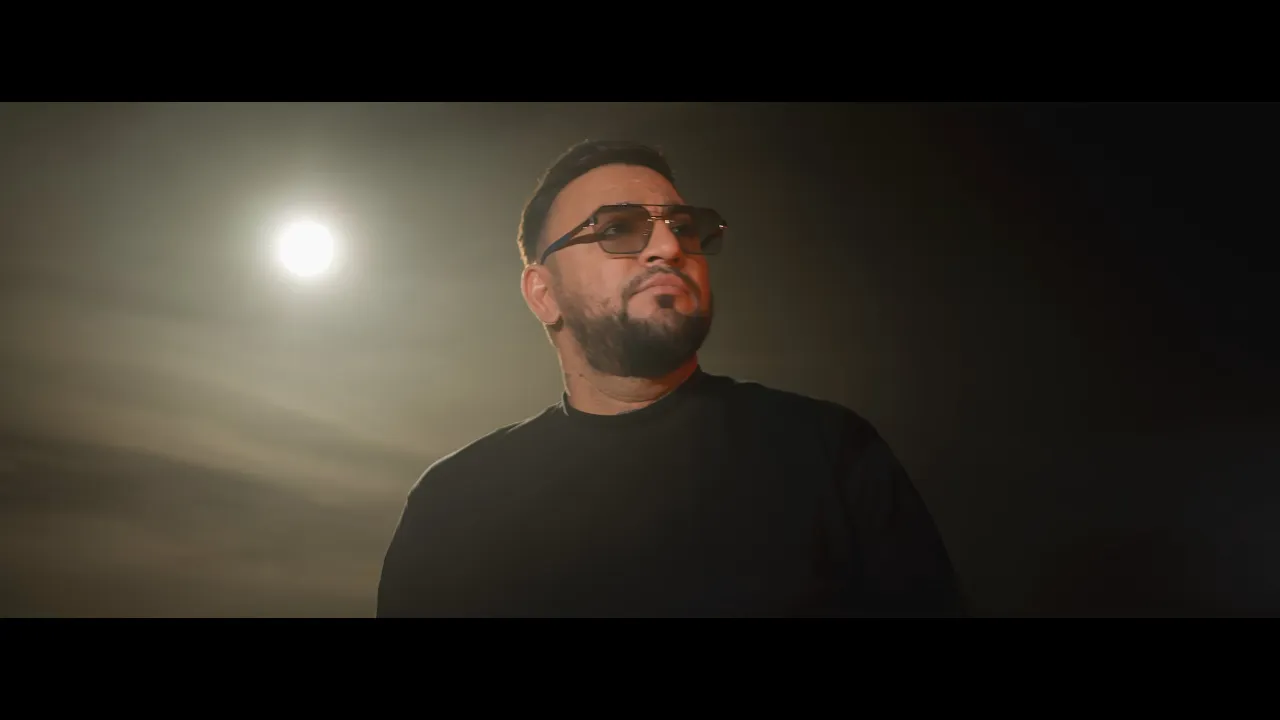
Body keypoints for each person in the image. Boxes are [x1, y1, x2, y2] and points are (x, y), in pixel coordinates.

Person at [377, 140, 965, 617]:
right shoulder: (454, 501)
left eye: (683, 228)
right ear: (543, 293)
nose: (668, 246)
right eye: (617, 228)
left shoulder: (830, 451)